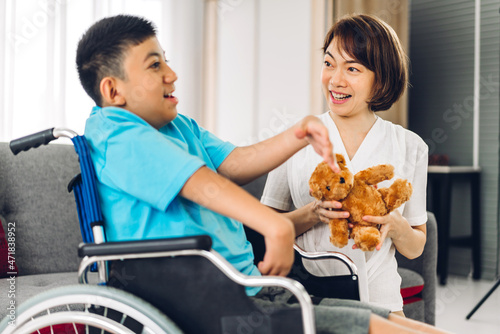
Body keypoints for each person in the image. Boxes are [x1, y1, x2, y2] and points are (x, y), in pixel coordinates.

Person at [76, 14, 448, 334]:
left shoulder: (180, 127)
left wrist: (298, 134)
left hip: (247, 285)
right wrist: (278, 226)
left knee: (400, 324)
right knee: (377, 328)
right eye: (155, 65)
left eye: (166, 61)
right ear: (113, 89)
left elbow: (236, 163)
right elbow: (202, 185)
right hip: (203, 294)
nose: (172, 74)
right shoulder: (116, 132)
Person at [261, 13, 428, 317]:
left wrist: (396, 225)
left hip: (382, 301)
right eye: (329, 63)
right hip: (310, 300)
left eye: (352, 68)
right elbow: (266, 229)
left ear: (381, 80)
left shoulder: (411, 146)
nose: (335, 79)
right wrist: (313, 214)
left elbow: (416, 245)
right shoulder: (296, 137)